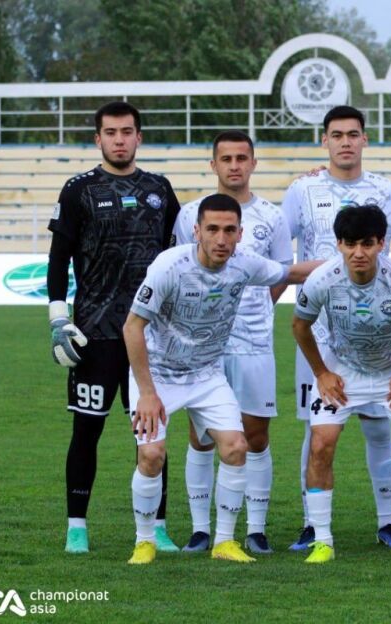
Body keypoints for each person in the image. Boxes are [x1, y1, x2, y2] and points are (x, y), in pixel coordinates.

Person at [123, 194, 317, 565]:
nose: (221, 239)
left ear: (240, 233)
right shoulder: (169, 266)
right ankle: (144, 541)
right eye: (212, 229)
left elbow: (290, 274)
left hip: (206, 375)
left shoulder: (244, 264)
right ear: (196, 231)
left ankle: (225, 542)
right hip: (158, 376)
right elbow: (132, 327)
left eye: (230, 230)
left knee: (235, 447)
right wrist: (147, 393)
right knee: (151, 455)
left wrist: (350, 260)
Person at [281, 105, 391, 551]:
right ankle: (311, 525)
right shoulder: (302, 189)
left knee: (379, 427)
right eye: (336, 135)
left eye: (353, 134)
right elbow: (278, 250)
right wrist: (321, 272)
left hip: (382, 335)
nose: (345, 142)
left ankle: (388, 522)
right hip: (323, 337)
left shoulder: (385, 190)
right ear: (324, 141)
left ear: (365, 139)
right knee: (317, 435)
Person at [46, 101, 181, 554]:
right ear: (98, 139)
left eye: (126, 132)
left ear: (139, 136)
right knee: (87, 431)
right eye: (110, 132)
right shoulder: (79, 190)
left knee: (152, 433)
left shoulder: (159, 188)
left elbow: (178, 253)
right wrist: (58, 317)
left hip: (149, 335)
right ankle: (76, 527)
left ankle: (158, 527)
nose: (119, 140)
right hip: (95, 333)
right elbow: (58, 258)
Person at [292, 205, 391, 565]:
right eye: (351, 244)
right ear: (339, 244)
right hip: (342, 371)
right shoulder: (322, 279)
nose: (359, 252)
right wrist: (321, 372)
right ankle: (322, 541)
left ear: (381, 244)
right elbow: (299, 326)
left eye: (368, 244)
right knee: (320, 445)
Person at [172, 131, 291, 554]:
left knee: (255, 436)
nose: (235, 165)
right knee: (202, 436)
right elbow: (181, 269)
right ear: (214, 165)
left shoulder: (273, 217)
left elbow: (281, 273)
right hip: (203, 345)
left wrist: (257, 309)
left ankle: (255, 529)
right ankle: (201, 529)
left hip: (253, 342)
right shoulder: (190, 214)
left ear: (254, 163)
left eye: (242, 158)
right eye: (226, 158)